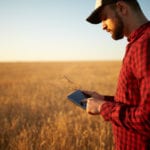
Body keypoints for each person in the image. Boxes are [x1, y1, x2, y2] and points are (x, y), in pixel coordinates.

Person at [83, 0, 150, 149]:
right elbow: (138, 103)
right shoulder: (137, 42)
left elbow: (147, 119)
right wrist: (104, 99)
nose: (103, 26)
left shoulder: (145, 45)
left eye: (104, 17)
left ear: (121, 8)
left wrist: (103, 108)